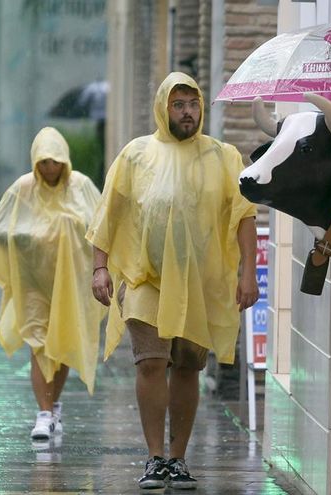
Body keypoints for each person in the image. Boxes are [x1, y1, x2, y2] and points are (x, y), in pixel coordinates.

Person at [87, 72, 259, 490]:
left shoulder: (222, 157)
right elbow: (107, 214)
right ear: (164, 108)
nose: (187, 112)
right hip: (147, 279)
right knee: (150, 363)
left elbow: (244, 216)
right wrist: (100, 267)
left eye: (193, 103)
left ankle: (178, 458)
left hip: (199, 285)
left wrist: (248, 273)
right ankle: (154, 457)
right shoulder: (136, 155)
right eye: (179, 104)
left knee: (186, 367)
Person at [0, 127, 106, 441]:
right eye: (43, 162)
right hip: (33, 284)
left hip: (70, 284)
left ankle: (54, 405)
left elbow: (101, 228)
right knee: (40, 345)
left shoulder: (81, 187)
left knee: (63, 345)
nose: (49, 168)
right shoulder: (23, 189)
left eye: (55, 162)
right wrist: (27, 237)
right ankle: (43, 412)